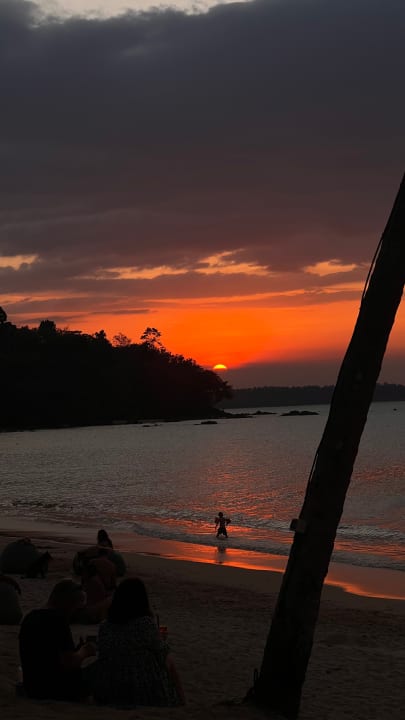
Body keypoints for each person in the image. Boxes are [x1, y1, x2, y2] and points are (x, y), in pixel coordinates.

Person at [91, 577, 185, 707]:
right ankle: (181, 699)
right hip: (140, 690)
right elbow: (162, 654)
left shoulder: (105, 627)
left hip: (110, 688)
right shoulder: (144, 624)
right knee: (166, 657)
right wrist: (160, 639)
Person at [19, 579, 96, 701]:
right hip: (57, 689)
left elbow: (47, 654)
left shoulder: (30, 617)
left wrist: (76, 651)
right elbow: (69, 663)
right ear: (68, 603)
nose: (75, 614)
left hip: (32, 687)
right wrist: (85, 651)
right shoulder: (58, 620)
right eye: (76, 608)